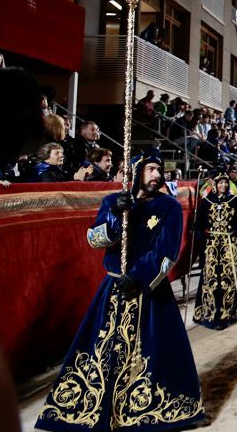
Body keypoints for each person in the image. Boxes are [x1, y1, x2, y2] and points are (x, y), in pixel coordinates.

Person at [36, 155, 204, 430]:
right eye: (151, 169)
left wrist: (139, 276)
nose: (156, 174)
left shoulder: (168, 207)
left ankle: (147, 405)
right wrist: (116, 216)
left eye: (159, 169)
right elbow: (95, 239)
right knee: (103, 350)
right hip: (113, 289)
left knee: (153, 350)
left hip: (148, 291)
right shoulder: (113, 202)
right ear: (137, 172)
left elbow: (167, 251)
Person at [193, 170, 237, 330]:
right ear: (215, 185)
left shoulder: (233, 200)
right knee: (210, 278)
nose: (223, 185)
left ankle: (228, 313)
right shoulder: (206, 201)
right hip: (211, 246)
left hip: (228, 245)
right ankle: (208, 313)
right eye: (220, 182)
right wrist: (198, 232)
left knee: (227, 279)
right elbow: (199, 224)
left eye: (225, 182)